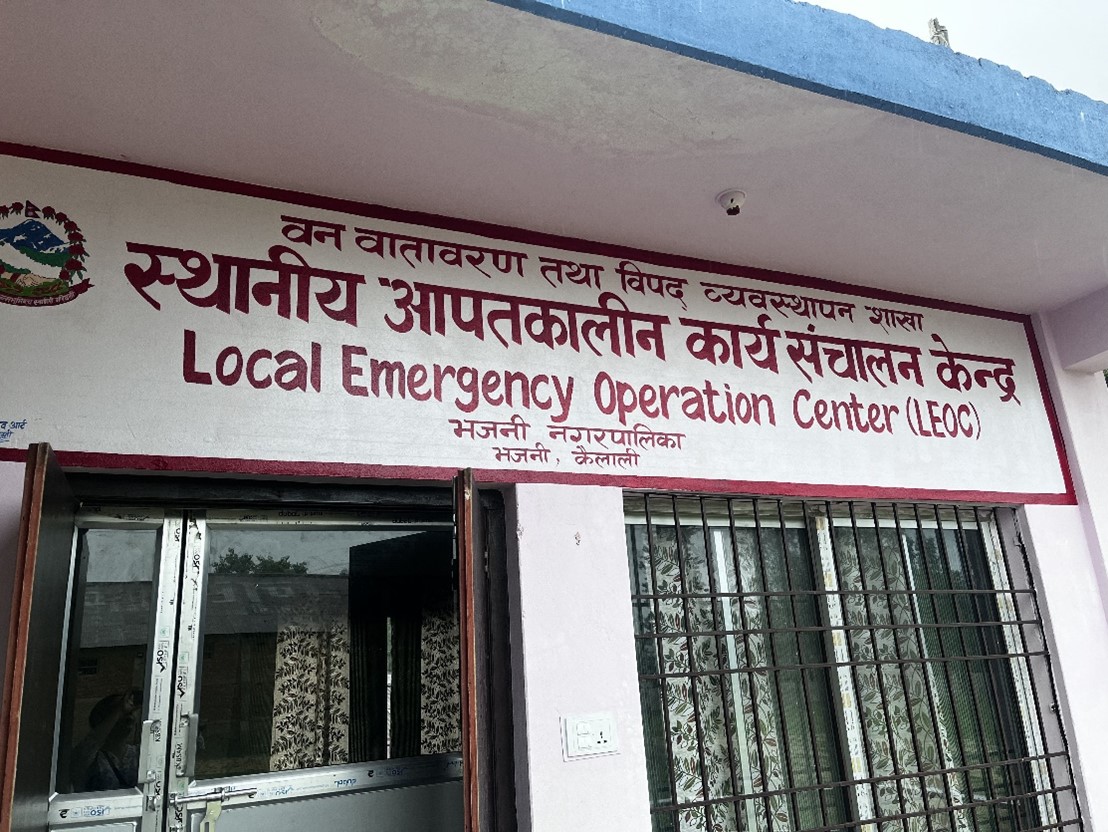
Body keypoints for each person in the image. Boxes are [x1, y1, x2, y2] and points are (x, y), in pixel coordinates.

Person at [71, 690, 141, 792]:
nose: (127, 712)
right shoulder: (90, 757)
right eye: (117, 709)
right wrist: (118, 710)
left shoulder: (138, 754)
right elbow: (91, 742)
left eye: (130, 712)